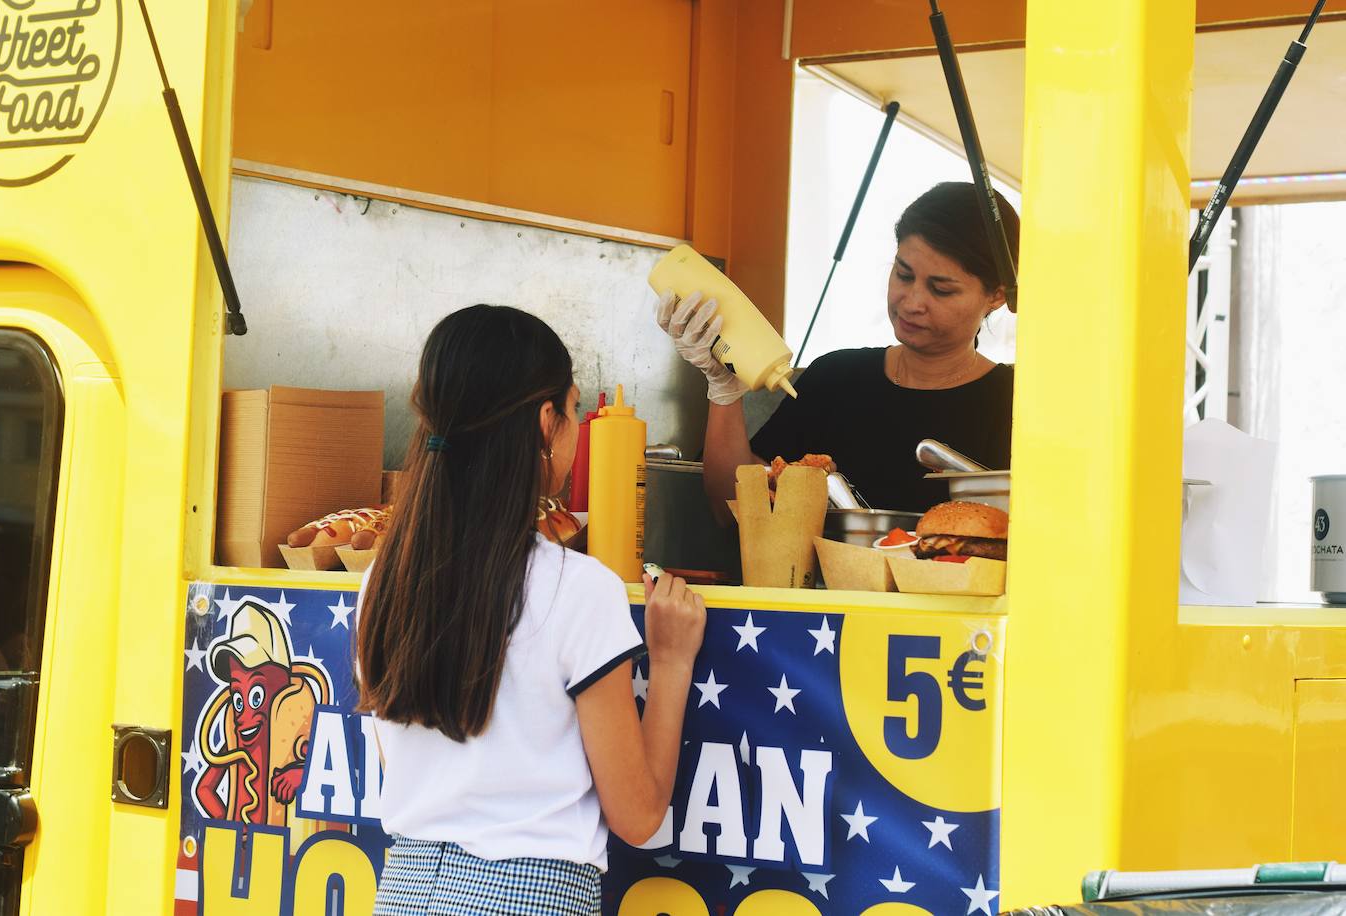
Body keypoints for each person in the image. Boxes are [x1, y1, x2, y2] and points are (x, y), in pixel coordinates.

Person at [356, 304, 706, 916]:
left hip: (404, 893)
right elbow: (639, 817)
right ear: (547, 422)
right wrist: (672, 662)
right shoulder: (579, 588)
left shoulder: (380, 583)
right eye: (573, 409)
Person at [659, 181, 1018, 514]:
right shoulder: (836, 378)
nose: (912, 302)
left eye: (941, 289)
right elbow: (733, 505)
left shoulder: (1015, 404)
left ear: (997, 295)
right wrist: (724, 390)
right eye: (903, 274)